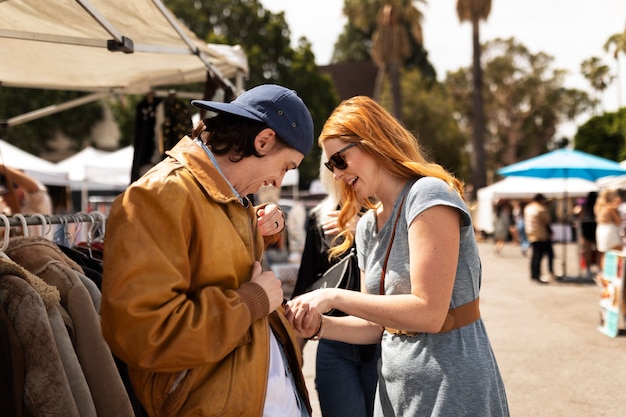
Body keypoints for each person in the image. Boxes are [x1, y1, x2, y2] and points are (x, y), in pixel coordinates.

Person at [285, 96, 509, 416]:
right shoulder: (365, 225)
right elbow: (374, 325)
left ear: (372, 141)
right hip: (395, 391)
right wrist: (318, 327)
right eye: (329, 166)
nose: (335, 174)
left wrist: (330, 296)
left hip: (453, 386)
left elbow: (429, 312)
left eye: (339, 160)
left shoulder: (428, 194)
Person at [100, 84, 315, 417]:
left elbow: (220, 266)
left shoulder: (229, 198)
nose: (278, 182)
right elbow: (144, 333)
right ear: (263, 141)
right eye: (286, 166)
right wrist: (254, 300)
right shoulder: (159, 195)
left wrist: (261, 231)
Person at [292, 156, 379, 417]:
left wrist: (364, 228)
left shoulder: (388, 215)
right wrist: (293, 354)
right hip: (334, 343)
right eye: (332, 165)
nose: (340, 173)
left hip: (384, 345)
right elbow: (305, 288)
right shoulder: (320, 219)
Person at [524, 193, 554, 284]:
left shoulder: (528, 208)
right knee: (541, 255)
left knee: (535, 256)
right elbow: (546, 221)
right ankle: (540, 275)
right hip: (541, 234)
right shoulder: (540, 208)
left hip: (531, 234)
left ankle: (534, 275)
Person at [594, 188, 623, 276]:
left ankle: (604, 275)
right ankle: (612, 277)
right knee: (615, 254)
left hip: (601, 230)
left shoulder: (598, 207)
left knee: (604, 255)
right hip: (610, 231)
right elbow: (619, 222)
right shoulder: (611, 207)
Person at [572, 192, 598, 278]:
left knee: (587, 251)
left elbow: (577, 213)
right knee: (598, 251)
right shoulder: (598, 203)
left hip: (586, 228)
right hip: (595, 227)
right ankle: (598, 269)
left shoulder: (583, 203)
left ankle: (588, 270)